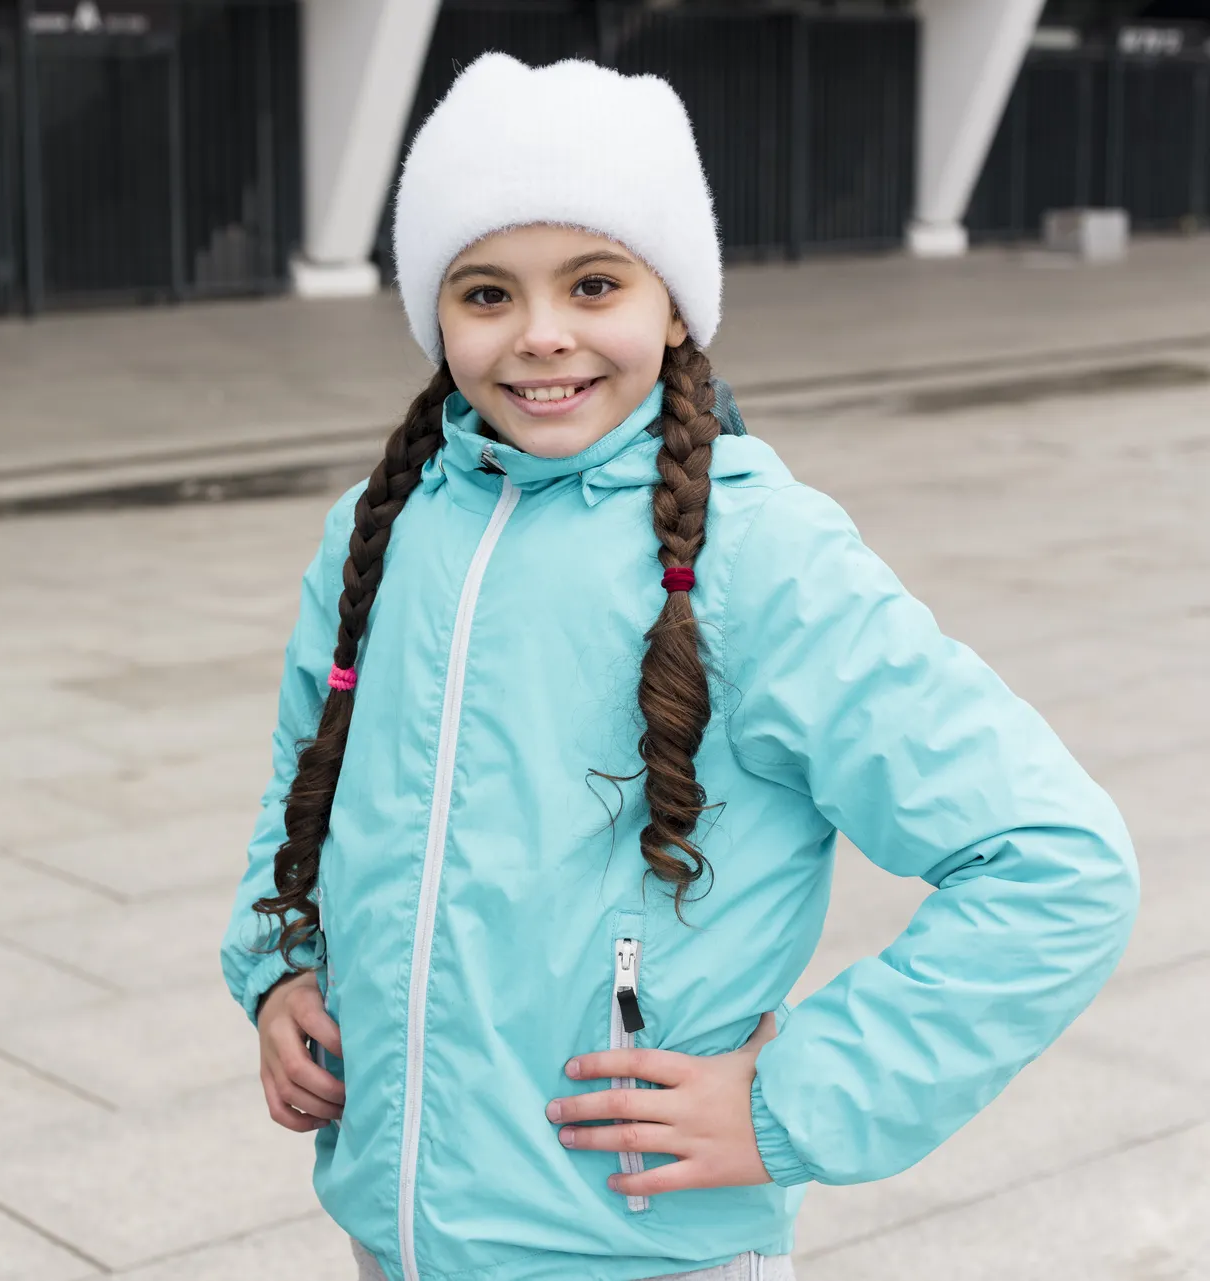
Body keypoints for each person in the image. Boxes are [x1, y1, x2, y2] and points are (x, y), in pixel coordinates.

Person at [221, 54, 1137, 1281]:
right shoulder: (379, 532)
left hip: (644, 1248)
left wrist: (790, 1102)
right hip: (398, 1235)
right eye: (486, 292)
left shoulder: (764, 553)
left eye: (592, 281)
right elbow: (305, 780)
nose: (542, 335)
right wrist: (281, 967)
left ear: (673, 301)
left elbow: (1057, 864)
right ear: (436, 316)